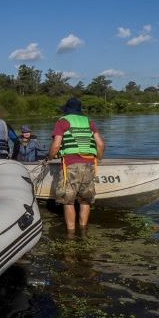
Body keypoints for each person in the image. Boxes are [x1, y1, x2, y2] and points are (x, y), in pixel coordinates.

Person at [48, 97, 105, 234]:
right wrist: (98, 159)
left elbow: (56, 145)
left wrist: (50, 156)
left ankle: (71, 233)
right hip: (90, 165)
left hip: (71, 165)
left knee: (68, 200)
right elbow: (101, 144)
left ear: (67, 110)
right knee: (85, 200)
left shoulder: (63, 121)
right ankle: (84, 230)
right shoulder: (89, 121)